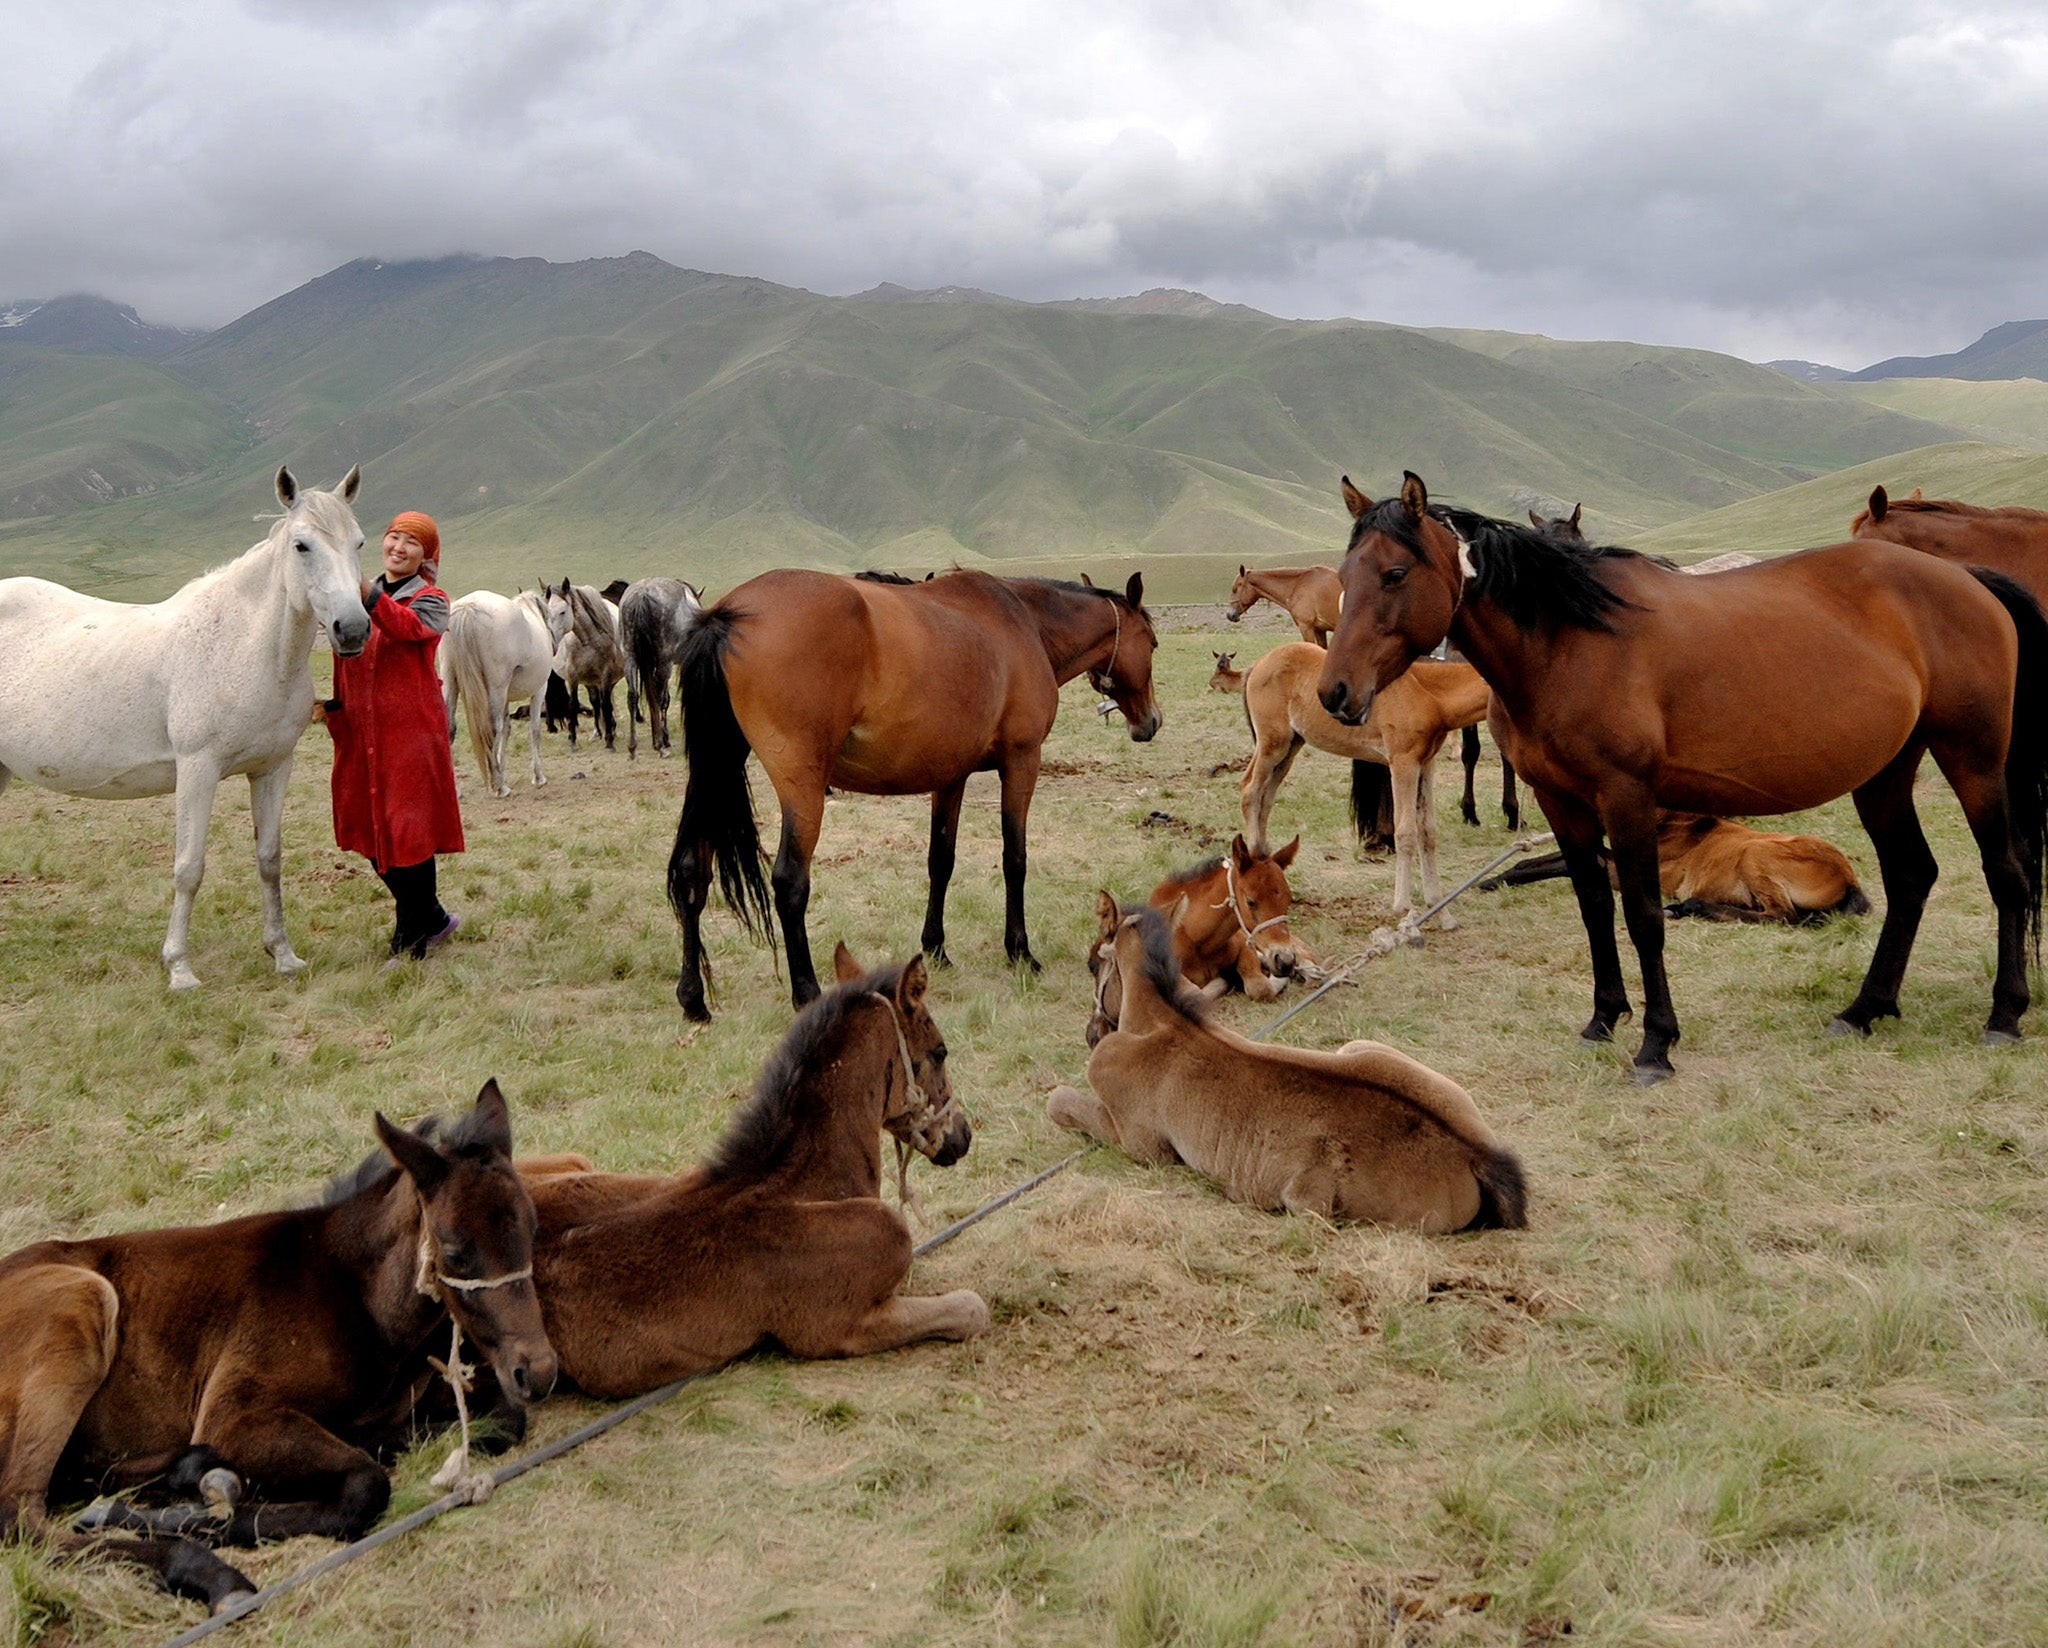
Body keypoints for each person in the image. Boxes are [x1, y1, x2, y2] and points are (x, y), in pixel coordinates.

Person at [325, 510, 466, 964]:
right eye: (393, 537)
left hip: (409, 737)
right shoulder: (352, 600)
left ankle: (410, 943)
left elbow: (407, 630)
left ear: (426, 555)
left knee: (409, 834)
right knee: (368, 830)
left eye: (411, 542)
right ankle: (435, 917)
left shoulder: (433, 600)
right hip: (361, 733)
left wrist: (368, 594)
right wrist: (334, 707)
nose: (398, 548)